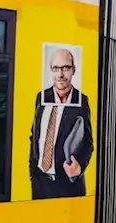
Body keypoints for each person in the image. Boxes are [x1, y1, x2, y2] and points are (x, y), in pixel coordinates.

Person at [30, 47, 94, 199]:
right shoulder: (41, 97)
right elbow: (35, 137)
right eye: (56, 68)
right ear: (51, 71)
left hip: (67, 185)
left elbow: (88, 142)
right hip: (40, 183)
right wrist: (32, 175)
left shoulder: (81, 100)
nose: (60, 74)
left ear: (73, 70)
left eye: (65, 68)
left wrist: (79, 166)